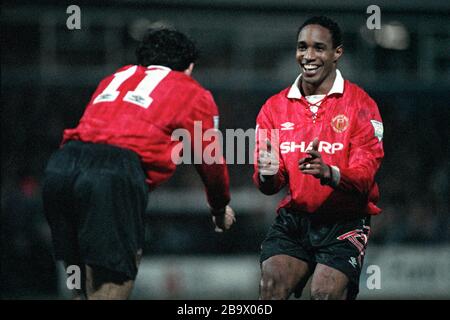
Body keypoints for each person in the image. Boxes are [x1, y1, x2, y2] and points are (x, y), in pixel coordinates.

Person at [42, 28, 235, 300]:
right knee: (111, 286)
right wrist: (219, 205)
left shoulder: (116, 77)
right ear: (189, 67)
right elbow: (210, 157)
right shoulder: (192, 91)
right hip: (111, 173)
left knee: (80, 289)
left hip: (62, 167)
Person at [254, 16, 384, 300]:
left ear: (337, 53)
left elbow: (365, 176)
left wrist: (329, 172)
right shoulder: (274, 108)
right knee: (270, 286)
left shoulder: (361, 105)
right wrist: (267, 172)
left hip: (345, 220)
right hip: (296, 219)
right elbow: (269, 186)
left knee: (325, 294)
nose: (308, 55)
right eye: (302, 47)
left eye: (319, 48)